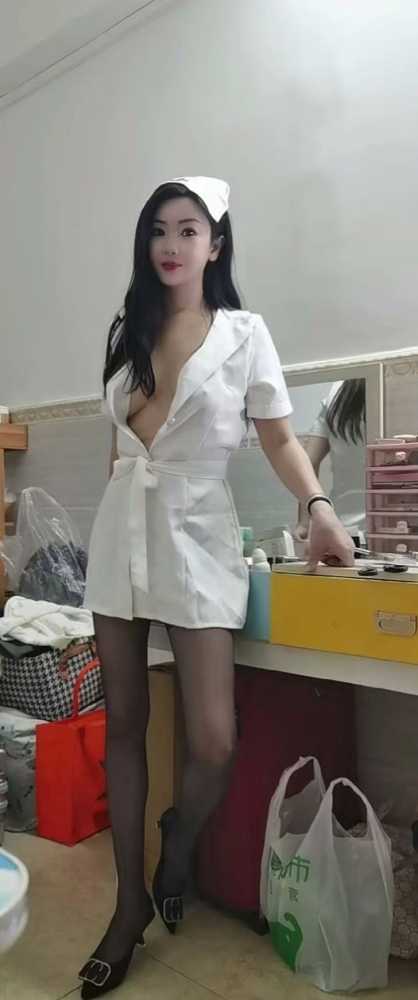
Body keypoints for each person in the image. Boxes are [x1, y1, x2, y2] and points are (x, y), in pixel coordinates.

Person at [79, 176, 354, 997]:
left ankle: (178, 841)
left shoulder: (243, 332)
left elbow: (279, 439)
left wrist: (319, 509)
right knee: (125, 727)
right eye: (158, 230)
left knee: (212, 740)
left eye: (188, 229)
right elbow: (117, 450)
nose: (171, 244)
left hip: (197, 537)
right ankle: (127, 906)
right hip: (120, 534)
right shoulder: (128, 329)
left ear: (216, 244)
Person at [295, 379, 366, 547]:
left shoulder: (336, 391)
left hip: (341, 527)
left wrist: (304, 521)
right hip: (396, 523)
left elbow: (308, 461)